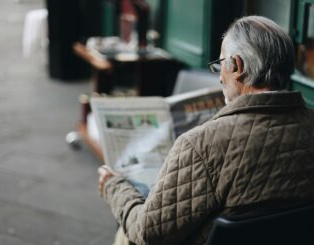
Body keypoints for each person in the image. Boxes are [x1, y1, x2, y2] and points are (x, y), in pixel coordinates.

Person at [98, 16, 314, 245]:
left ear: (237, 66)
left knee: (126, 234)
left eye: (221, 64)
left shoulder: (201, 145)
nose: (220, 76)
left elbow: (147, 234)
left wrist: (114, 187)